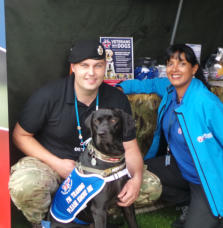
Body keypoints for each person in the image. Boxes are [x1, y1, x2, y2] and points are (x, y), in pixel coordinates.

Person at [117, 44, 223, 228]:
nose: (174, 69)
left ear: (194, 69)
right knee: (139, 172)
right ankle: (190, 204)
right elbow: (150, 83)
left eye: (181, 64)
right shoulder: (170, 89)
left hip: (206, 178)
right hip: (180, 168)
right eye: (170, 64)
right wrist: (120, 88)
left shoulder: (207, 103)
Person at [8, 40, 144, 227]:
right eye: (84, 65)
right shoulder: (49, 95)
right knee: (26, 185)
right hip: (55, 165)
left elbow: (130, 147)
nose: (91, 72)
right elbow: (20, 136)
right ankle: (43, 223)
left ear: (105, 68)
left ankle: (96, 214)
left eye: (98, 66)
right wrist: (57, 164)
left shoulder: (116, 98)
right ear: (73, 68)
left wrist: (136, 180)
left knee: (149, 185)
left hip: (101, 168)